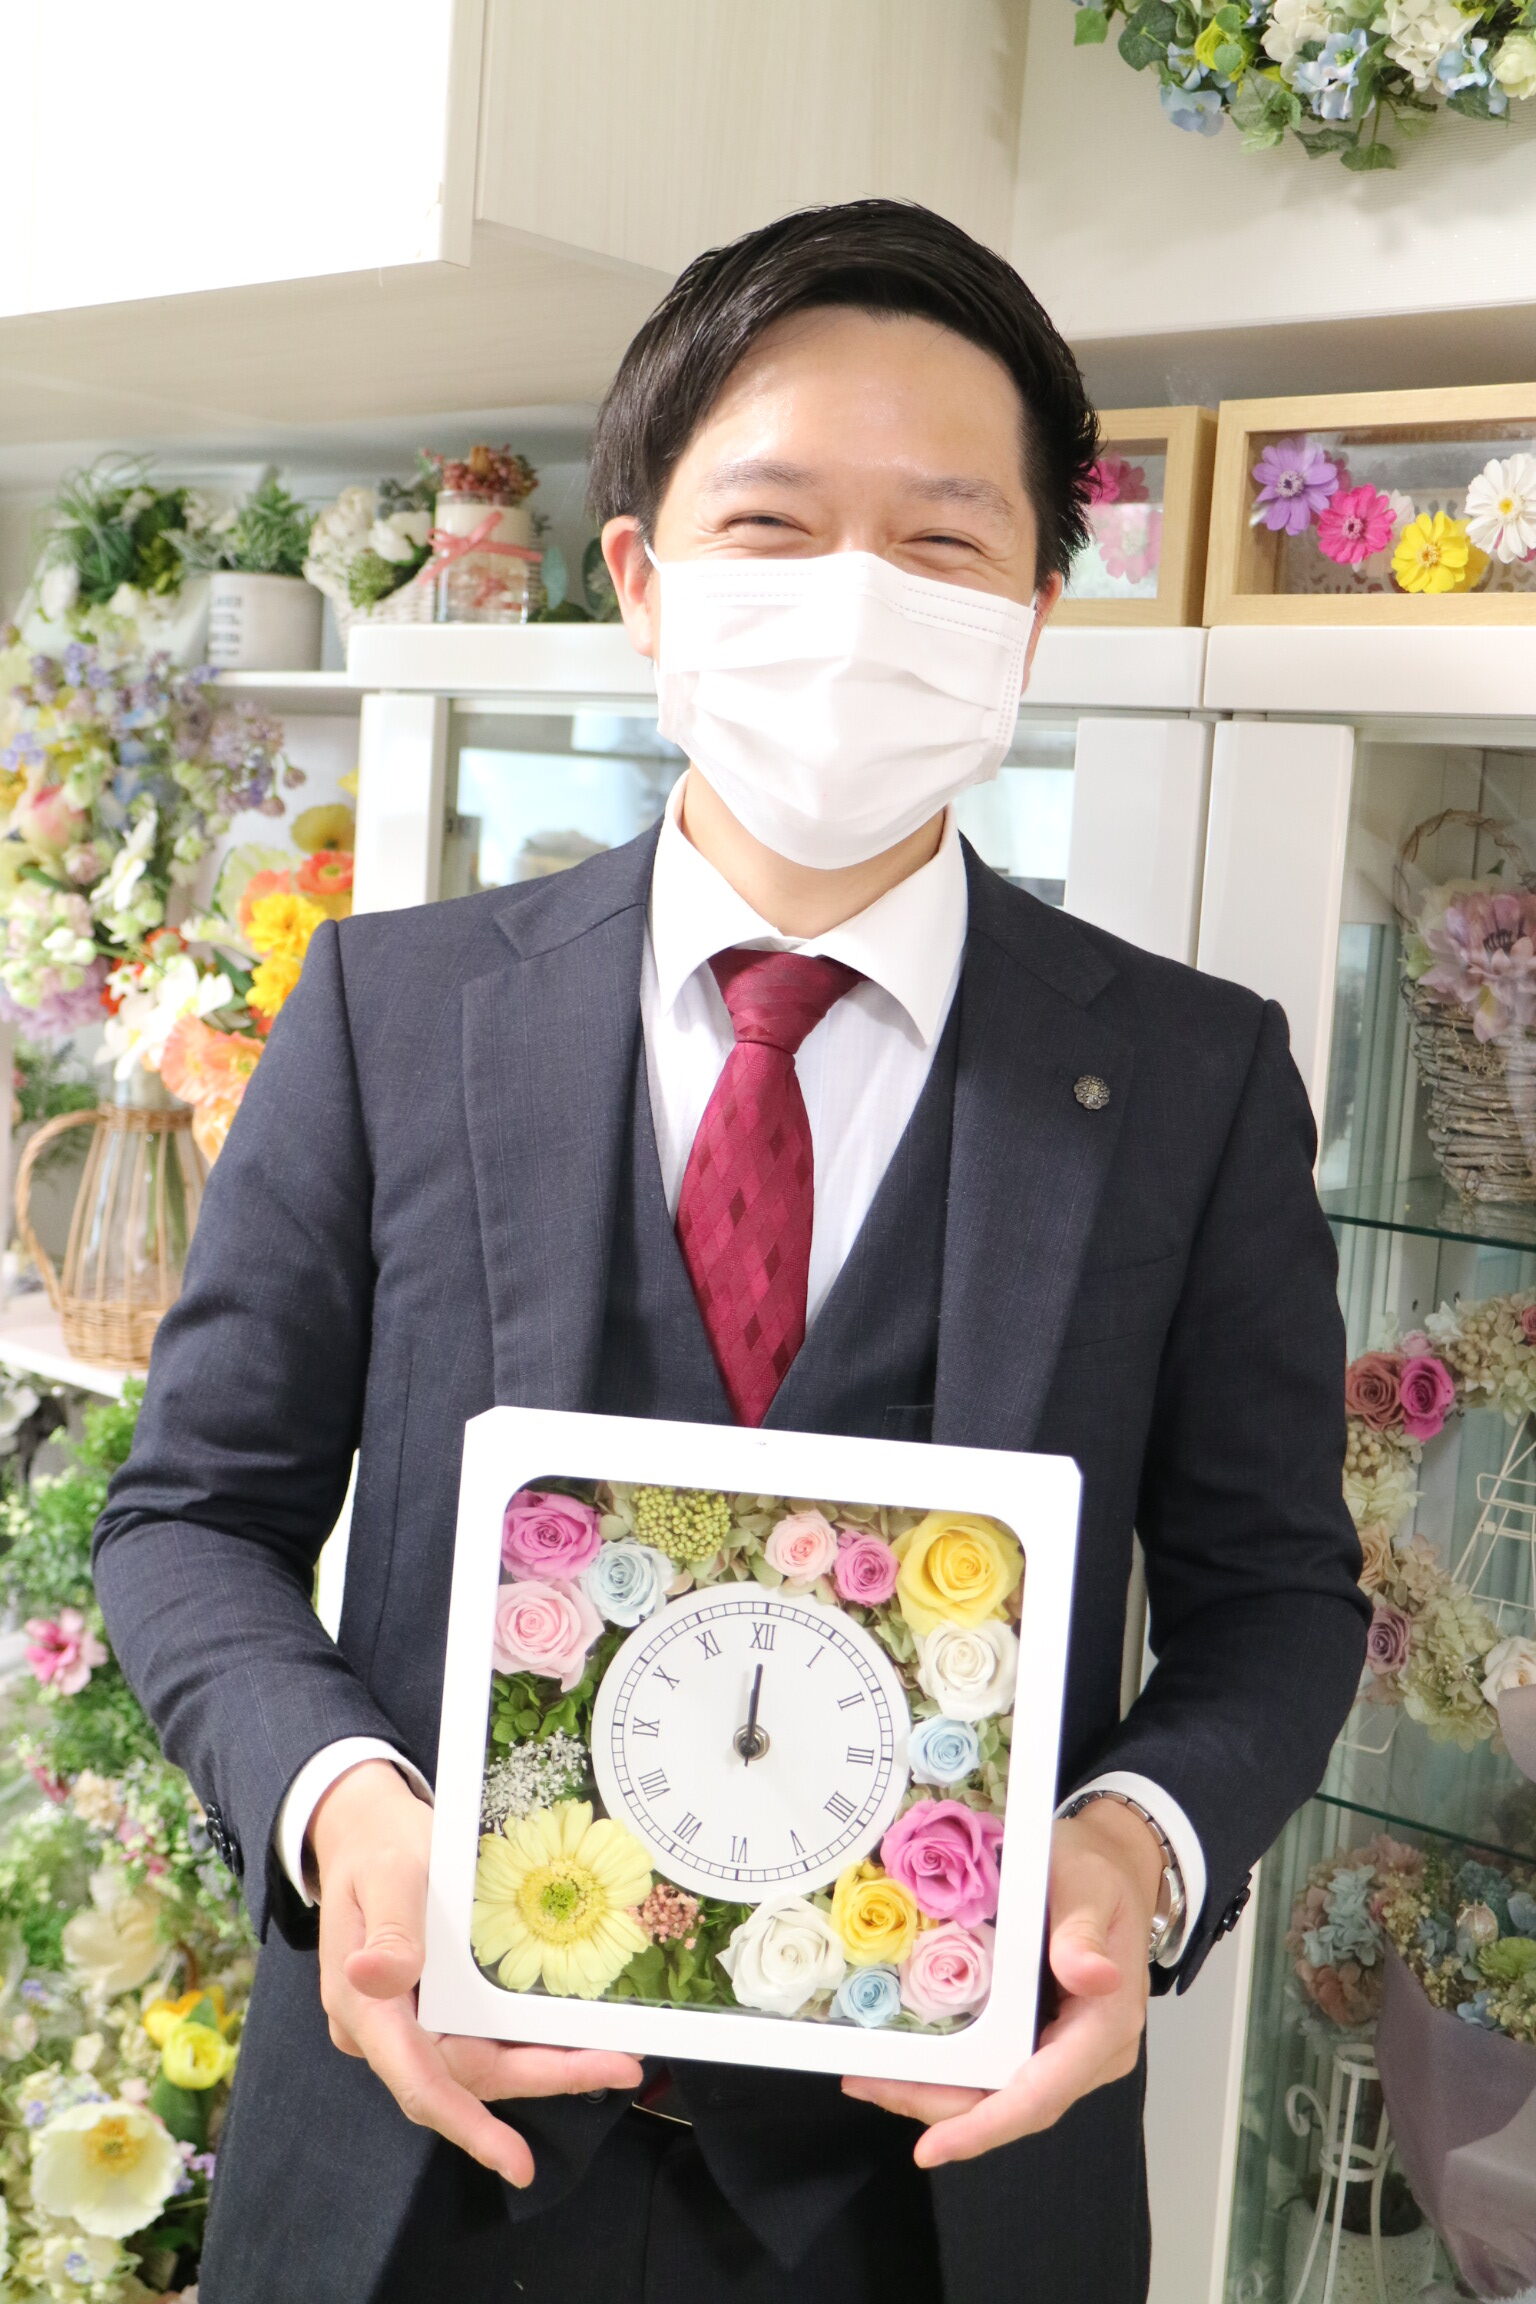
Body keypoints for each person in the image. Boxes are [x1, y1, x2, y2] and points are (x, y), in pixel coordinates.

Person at [93, 199, 1368, 2304]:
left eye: (944, 540)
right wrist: (342, 1810)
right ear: (642, 580)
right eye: (774, 524)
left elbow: (1277, 1601)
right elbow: (192, 1515)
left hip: (941, 2197)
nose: (858, 599)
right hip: (424, 2159)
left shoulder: (1191, 1078)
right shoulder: (394, 1013)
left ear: (1034, 614)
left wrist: (1136, 1851)